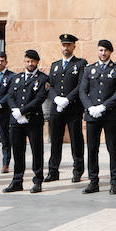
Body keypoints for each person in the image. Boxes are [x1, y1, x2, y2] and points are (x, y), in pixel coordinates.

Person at [79, 38, 116, 194]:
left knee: (113, 148)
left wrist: (104, 106)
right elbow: (82, 91)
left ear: (110, 52)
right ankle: (93, 181)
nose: (103, 53)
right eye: (100, 50)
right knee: (92, 149)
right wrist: (90, 107)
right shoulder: (89, 69)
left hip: (110, 115)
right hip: (92, 115)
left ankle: (114, 181)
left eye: (106, 50)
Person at [4, 48, 49, 193]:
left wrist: (23, 111)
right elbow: (10, 96)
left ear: (37, 62)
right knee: (17, 150)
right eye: (28, 61)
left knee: (36, 151)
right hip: (16, 120)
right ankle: (17, 180)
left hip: (33, 120)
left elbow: (39, 99)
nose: (30, 64)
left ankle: (37, 180)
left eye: (33, 61)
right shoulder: (17, 78)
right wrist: (16, 112)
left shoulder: (43, 79)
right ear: (24, 61)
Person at [46, 34, 86, 183]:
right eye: (64, 45)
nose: (66, 48)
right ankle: (53, 171)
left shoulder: (80, 64)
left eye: (69, 45)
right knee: (55, 140)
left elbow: (81, 85)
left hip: (73, 108)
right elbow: (49, 85)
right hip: (57, 109)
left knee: (76, 140)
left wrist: (68, 99)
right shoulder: (55, 65)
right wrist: (56, 98)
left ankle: (78, 170)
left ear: (74, 46)